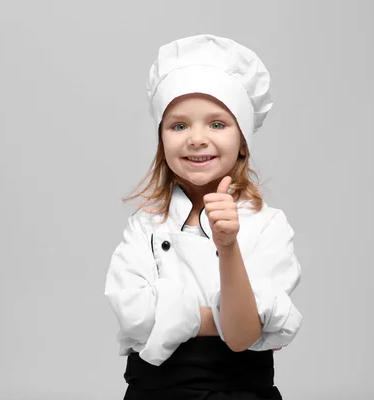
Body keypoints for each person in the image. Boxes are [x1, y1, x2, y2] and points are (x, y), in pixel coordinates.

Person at [104, 34, 303, 400]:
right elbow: (134, 317)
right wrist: (217, 315)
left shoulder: (268, 225)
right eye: (179, 126)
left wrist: (227, 247)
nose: (196, 139)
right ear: (162, 140)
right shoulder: (144, 225)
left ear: (243, 141)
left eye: (217, 124)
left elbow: (241, 336)